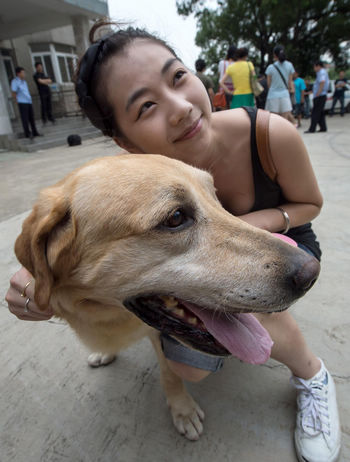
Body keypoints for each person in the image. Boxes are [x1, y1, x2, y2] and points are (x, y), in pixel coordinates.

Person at [6, 21, 341, 462]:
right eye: (145, 106)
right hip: (198, 255)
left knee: (258, 302)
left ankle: (313, 375)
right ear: (123, 142)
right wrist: (34, 280)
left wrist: (259, 224)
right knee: (187, 354)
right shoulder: (128, 184)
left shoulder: (269, 132)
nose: (181, 107)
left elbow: (310, 203)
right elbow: (63, 240)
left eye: (178, 76)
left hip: (288, 230)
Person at [265, 45, 295, 125]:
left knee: (274, 121)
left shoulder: (270, 67)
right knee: (284, 121)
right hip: (284, 95)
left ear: (274, 55)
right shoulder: (289, 65)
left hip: (273, 95)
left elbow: (268, 84)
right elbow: (290, 82)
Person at [11, 67, 41, 139]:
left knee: (31, 118)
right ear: (18, 73)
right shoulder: (15, 82)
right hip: (22, 102)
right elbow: (13, 92)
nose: (24, 74)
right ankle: (27, 133)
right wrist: (16, 101)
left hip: (28, 101)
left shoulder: (24, 81)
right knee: (25, 119)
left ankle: (35, 132)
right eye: (23, 73)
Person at [305, 61, 329, 134]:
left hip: (320, 96)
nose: (314, 68)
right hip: (321, 95)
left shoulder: (321, 72)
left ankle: (312, 128)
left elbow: (322, 82)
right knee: (320, 113)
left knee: (315, 112)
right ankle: (323, 127)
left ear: (318, 66)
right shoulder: (322, 72)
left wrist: (319, 92)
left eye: (314, 67)